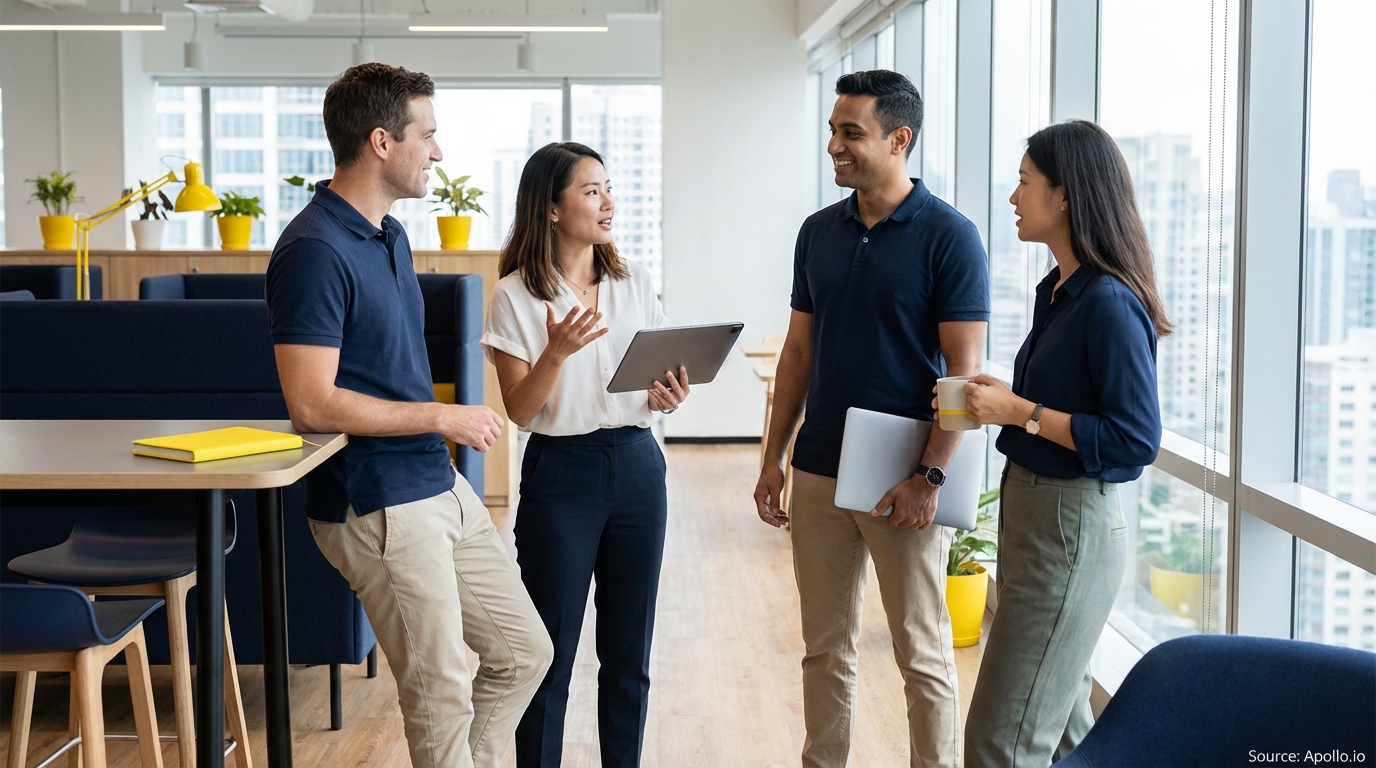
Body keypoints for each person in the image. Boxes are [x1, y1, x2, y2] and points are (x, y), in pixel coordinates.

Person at [265, 62, 554, 768]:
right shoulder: (313, 251)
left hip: (436, 486)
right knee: (441, 693)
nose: (439, 151)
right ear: (382, 142)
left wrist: (437, 432)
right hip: (377, 504)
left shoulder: (388, 235)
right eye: (428, 134)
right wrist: (440, 417)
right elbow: (310, 403)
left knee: (523, 652)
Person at [753, 70, 990, 768]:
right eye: (832, 130)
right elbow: (798, 351)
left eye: (850, 133)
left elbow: (965, 373)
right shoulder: (817, 233)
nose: (835, 146)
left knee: (921, 652)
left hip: (904, 479)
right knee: (825, 649)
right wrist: (774, 455)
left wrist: (931, 475)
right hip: (821, 466)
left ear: (899, 138)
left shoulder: (951, 237)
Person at [960, 119, 1168, 767]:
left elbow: (1134, 439)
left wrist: (1019, 411)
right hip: (1037, 522)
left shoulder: (1108, 302)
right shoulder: (1058, 293)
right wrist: (1009, 407)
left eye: (1025, 183)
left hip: (1068, 528)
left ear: (1066, 196)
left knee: (1000, 741)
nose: (1014, 197)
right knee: (1064, 734)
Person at [482, 141, 688, 768]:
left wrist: (668, 394)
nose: (608, 203)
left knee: (629, 652)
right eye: (591, 190)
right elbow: (519, 411)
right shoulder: (515, 296)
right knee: (549, 652)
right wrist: (556, 352)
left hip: (637, 465)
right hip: (561, 475)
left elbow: (653, 385)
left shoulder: (634, 282)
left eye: (608, 188)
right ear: (549, 208)